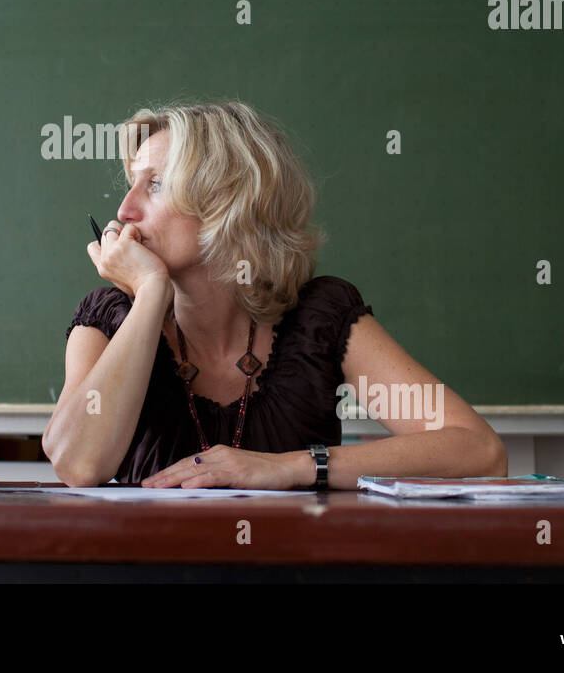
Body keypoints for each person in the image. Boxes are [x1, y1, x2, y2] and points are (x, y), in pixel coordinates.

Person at [42, 100, 507, 489]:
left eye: (156, 185)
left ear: (227, 203)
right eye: (131, 184)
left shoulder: (318, 320)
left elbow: (479, 451)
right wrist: (149, 294)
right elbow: (77, 465)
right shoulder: (107, 319)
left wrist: (291, 466)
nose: (125, 210)